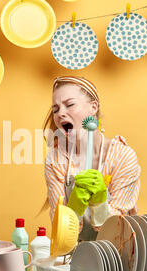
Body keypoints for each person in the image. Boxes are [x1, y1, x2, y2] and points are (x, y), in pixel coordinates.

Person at [43, 76, 141, 241]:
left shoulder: (123, 157)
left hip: (119, 252)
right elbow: (59, 227)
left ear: (93, 107)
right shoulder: (56, 159)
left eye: (70, 104)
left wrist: (100, 204)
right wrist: (73, 210)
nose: (60, 114)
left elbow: (118, 228)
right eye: (56, 109)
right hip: (76, 253)